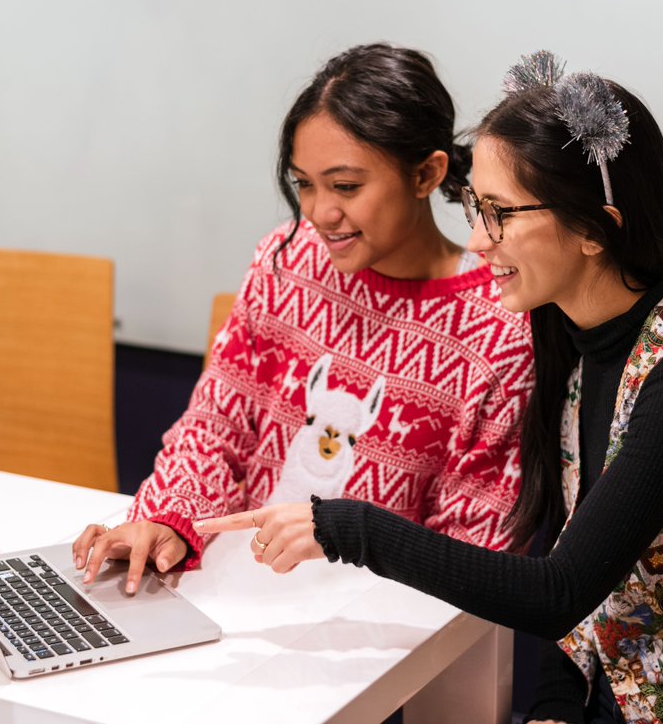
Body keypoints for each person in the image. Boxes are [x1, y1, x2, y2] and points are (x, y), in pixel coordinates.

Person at [196, 51, 663, 723]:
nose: (477, 239)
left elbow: (558, 589)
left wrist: (343, 524)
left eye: (499, 213)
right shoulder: (566, 342)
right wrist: (555, 703)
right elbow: (589, 593)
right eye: (475, 206)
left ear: (594, 228)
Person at [74, 43, 534, 597]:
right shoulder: (284, 263)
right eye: (304, 184)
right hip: (241, 591)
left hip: (381, 631)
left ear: (426, 174)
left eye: (345, 186)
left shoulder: (501, 325)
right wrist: (166, 518)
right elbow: (216, 425)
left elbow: (474, 547)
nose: (319, 212)